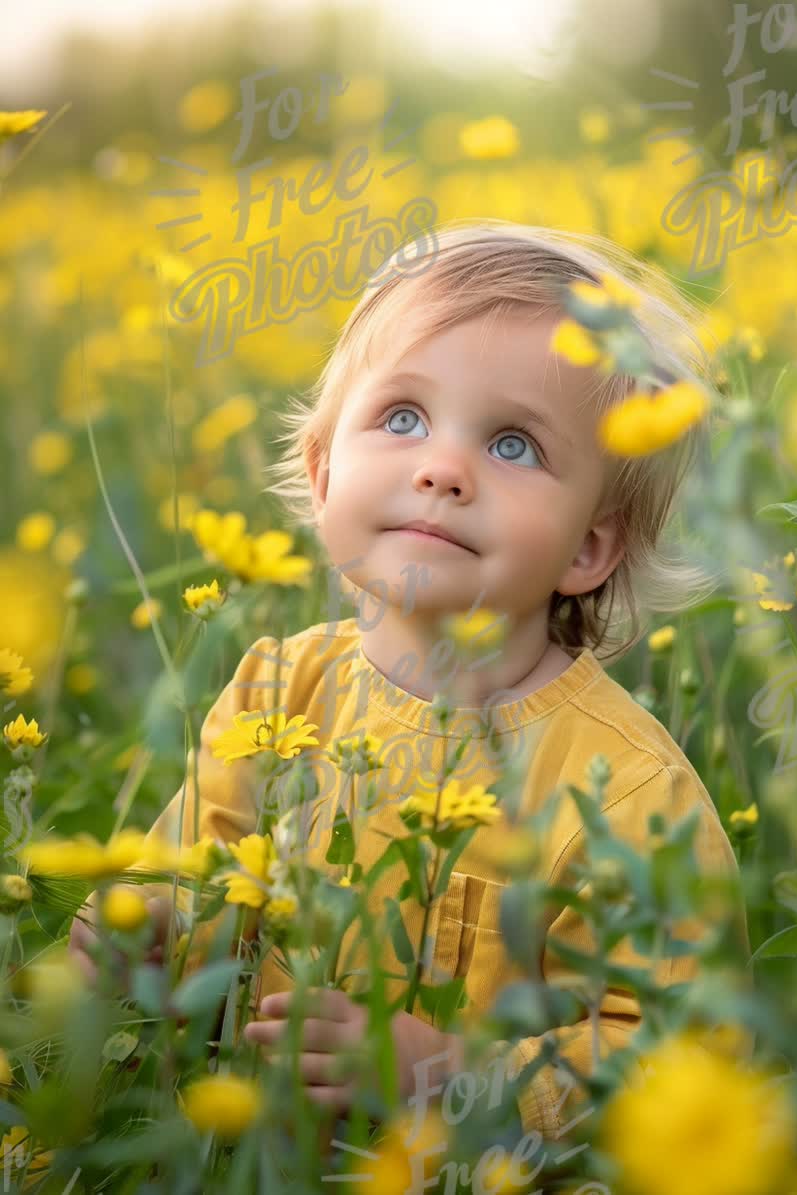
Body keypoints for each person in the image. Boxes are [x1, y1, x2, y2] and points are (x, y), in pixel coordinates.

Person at [70, 218, 750, 1142]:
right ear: (322, 475)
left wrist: (454, 1078)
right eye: (402, 418)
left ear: (590, 547)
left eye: (513, 445)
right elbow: (198, 872)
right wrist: (147, 931)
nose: (441, 470)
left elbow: (680, 1051)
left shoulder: (626, 790)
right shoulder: (278, 688)